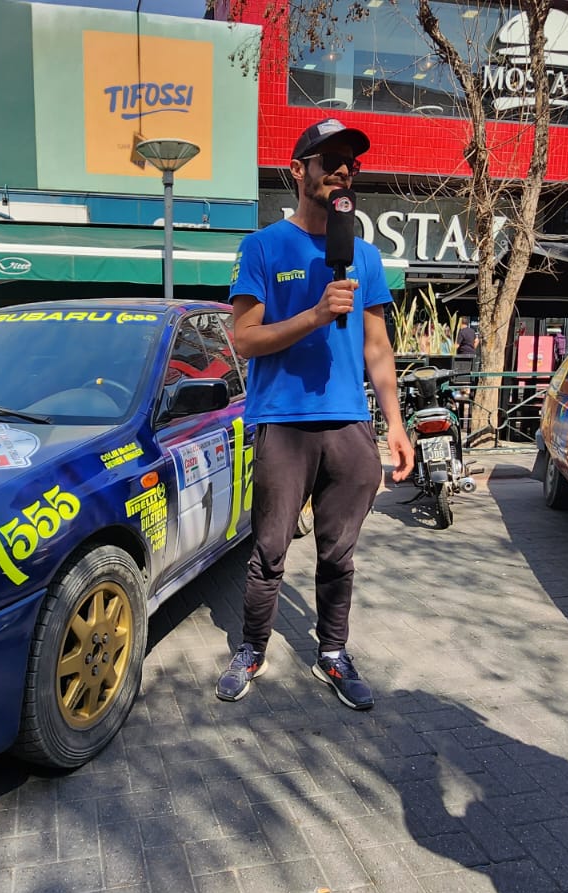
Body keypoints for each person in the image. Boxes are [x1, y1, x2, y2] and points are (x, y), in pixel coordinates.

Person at [215, 117, 415, 711]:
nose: (341, 170)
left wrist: (395, 424)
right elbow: (244, 340)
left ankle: (332, 652)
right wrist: (315, 314)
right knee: (269, 551)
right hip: (282, 423)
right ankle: (252, 648)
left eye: (350, 162)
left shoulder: (365, 256)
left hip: (349, 425)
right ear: (298, 170)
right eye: (328, 160)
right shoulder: (261, 247)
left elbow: (377, 347)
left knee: (338, 555)